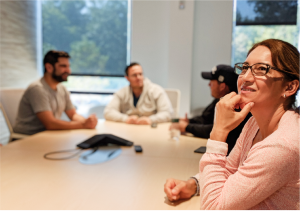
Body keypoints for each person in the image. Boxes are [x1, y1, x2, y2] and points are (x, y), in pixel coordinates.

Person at [164, 39, 299, 210]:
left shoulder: (281, 147)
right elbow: (230, 169)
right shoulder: (254, 122)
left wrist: (218, 132)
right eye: (245, 68)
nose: (246, 77)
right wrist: (194, 184)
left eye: (261, 69)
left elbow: (213, 207)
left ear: (290, 87)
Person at [170, 65, 251, 154]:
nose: (209, 84)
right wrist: (189, 121)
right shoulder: (219, 100)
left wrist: (186, 127)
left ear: (222, 86)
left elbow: (214, 129)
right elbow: (206, 118)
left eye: (212, 82)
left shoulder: (237, 105)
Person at [13, 50, 98, 135]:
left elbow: (72, 115)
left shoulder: (62, 88)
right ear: (49, 67)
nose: (68, 71)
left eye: (68, 66)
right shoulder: (37, 89)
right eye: (63, 66)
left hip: (48, 136)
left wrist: (87, 121)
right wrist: (83, 125)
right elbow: (50, 124)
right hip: (27, 139)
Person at [104, 62, 172, 125]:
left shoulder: (156, 91)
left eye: (140, 74)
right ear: (127, 78)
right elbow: (108, 112)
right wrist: (125, 119)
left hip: (151, 131)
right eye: (134, 75)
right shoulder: (122, 93)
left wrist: (151, 119)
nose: (138, 78)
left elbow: (167, 113)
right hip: (128, 131)